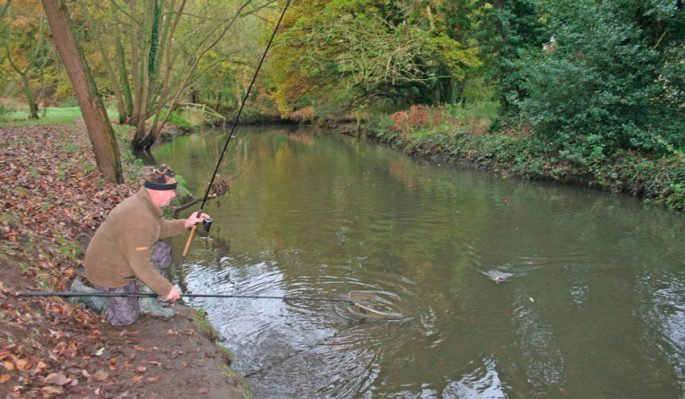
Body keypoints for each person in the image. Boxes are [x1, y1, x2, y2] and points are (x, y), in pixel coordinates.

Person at [73, 164, 210, 326]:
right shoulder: (139, 218)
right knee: (126, 319)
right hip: (109, 274)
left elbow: (157, 229)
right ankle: (83, 292)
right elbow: (142, 267)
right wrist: (166, 289)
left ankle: (147, 303)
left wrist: (186, 223)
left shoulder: (145, 203)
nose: (174, 195)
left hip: (122, 257)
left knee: (161, 252)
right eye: (171, 190)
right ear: (157, 191)